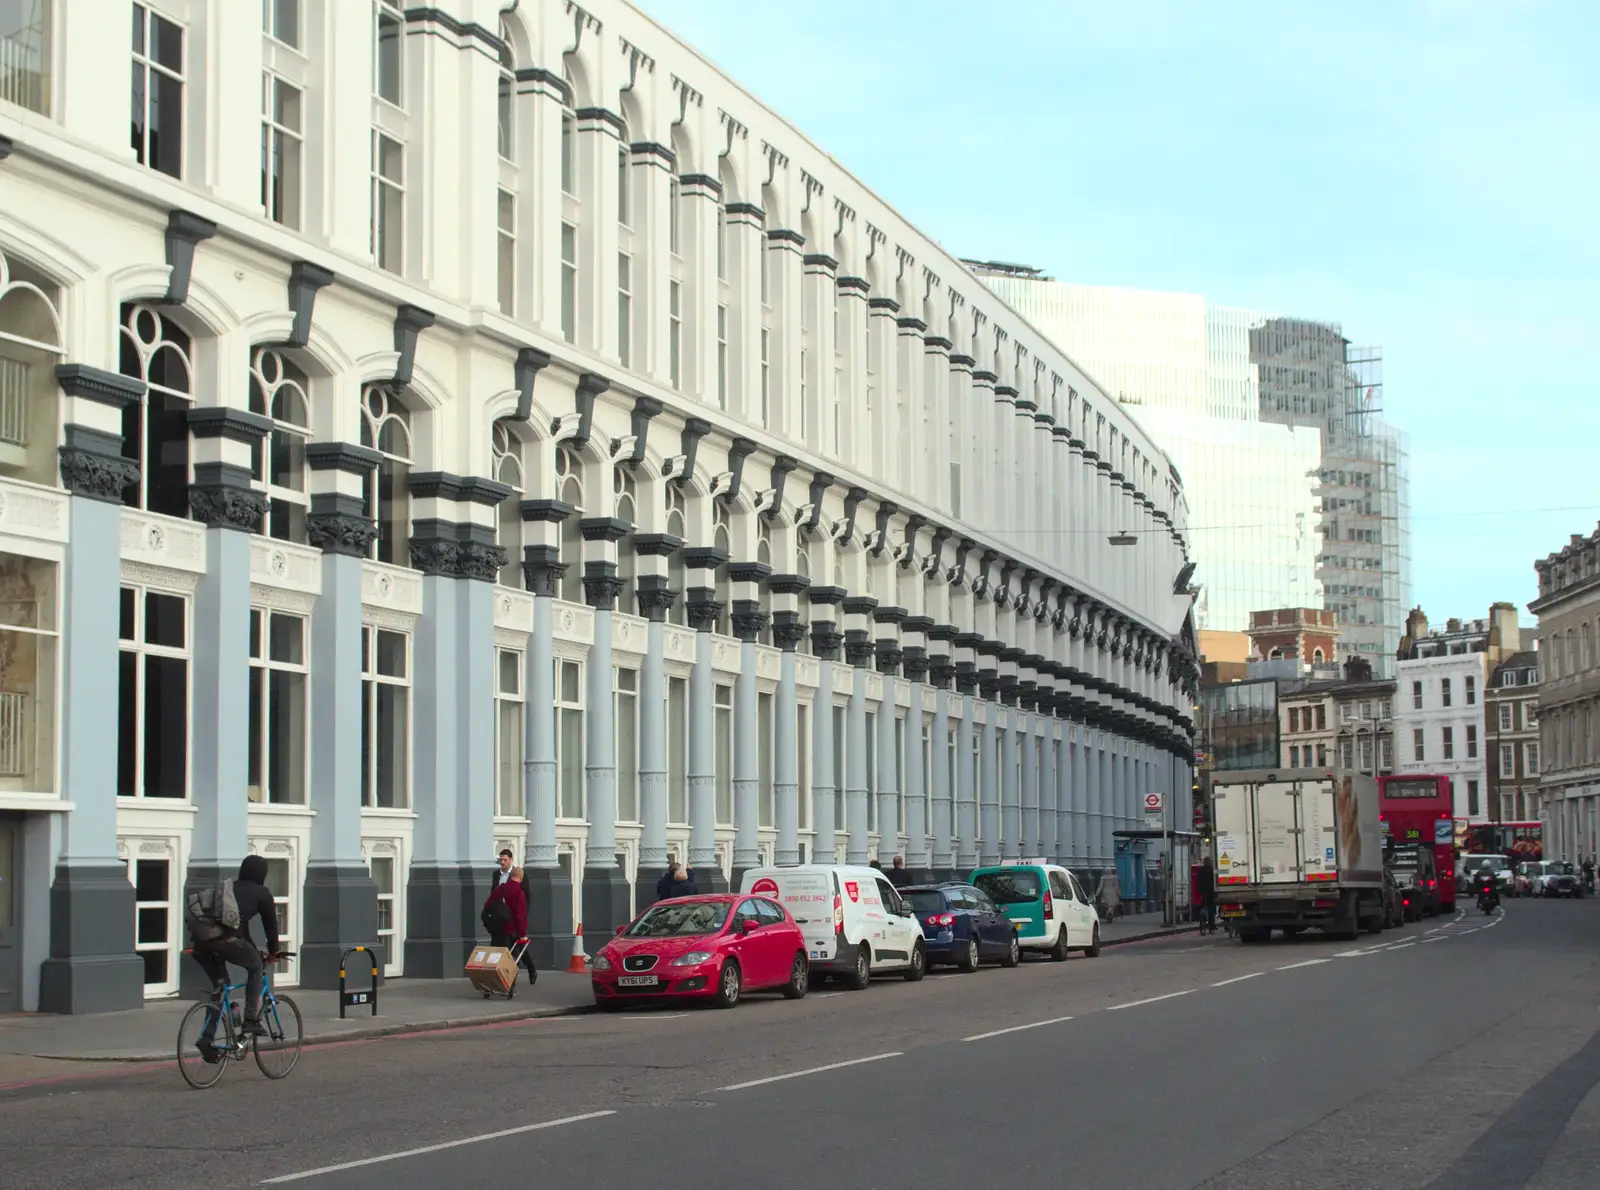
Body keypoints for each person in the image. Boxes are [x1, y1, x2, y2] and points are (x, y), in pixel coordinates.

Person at [190, 855, 282, 1036]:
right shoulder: (261, 892)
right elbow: (271, 926)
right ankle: (250, 1019)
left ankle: (207, 1039)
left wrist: (253, 950)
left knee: (220, 987)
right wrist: (273, 952)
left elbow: (240, 928)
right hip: (228, 942)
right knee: (255, 967)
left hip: (202, 945)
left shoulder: (229, 888)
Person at [483, 868, 537, 986]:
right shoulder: (519, 893)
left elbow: (487, 907)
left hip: (498, 930)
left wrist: (489, 924)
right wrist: (522, 933)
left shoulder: (499, 889)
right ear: (521, 878)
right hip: (512, 931)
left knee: (497, 957)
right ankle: (516, 979)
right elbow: (520, 916)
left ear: (510, 876)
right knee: (516, 954)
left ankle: (492, 983)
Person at [1195, 855, 1217, 935]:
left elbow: (1198, 880)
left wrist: (1199, 889)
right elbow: (1213, 881)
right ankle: (1211, 926)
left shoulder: (1200, 870)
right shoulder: (1211, 870)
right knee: (1211, 908)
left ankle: (1201, 916)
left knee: (1203, 904)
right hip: (1210, 891)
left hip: (1202, 890)